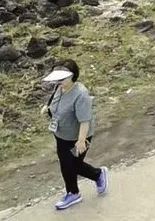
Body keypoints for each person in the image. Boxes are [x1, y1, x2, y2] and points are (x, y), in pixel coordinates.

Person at [40, 61, 108, 211]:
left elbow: (85, 120)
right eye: (57, 79)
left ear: (72, 76)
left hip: (77, 137)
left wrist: (81, 140)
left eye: (61, 79)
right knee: (65, 165)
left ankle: (98, 174)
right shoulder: (61, 87)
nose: (58, 82)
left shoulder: (81, 95)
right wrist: (48, 107)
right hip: (61, 134)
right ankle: (73, 193)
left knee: (74, 165)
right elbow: (55, 99)